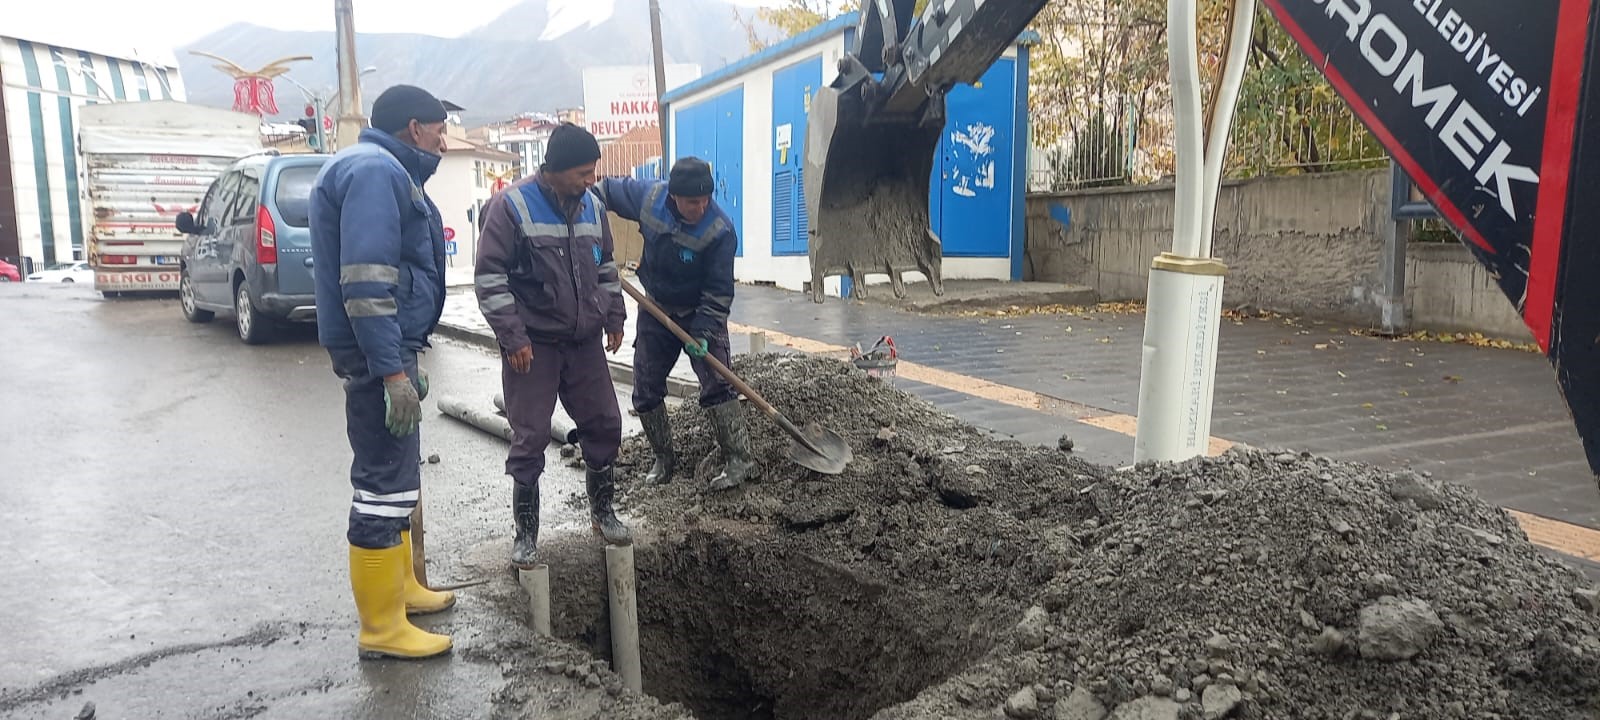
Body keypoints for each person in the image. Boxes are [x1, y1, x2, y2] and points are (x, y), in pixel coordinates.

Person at [310, 85, 454, 660]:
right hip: (378, 354)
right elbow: (367, 285)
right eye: (439, 129)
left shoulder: (381, 168)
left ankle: (402, 592)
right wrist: (391, 370)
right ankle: (381, 626)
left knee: (399, 477)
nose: (444, 140)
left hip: (391, 348)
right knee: (381, 487)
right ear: (414, 128)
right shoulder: (375, 172)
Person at [474, 123, 631, 569]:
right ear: (555, 169)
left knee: (604, 424)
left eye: (593, 172)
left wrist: (614, 317)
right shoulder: (512, 207)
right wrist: (513, 337)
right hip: (534, 345)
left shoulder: (592, 208)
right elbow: (489, 278)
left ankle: (603, 513)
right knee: (531, 437)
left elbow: (605, 268)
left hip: (583, 344)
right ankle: (525, 535)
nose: (590, 181)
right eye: (583, 173)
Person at [594, 157, 753, 492]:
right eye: (693, 201)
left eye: (706, 199)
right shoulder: (650, 197)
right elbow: (604, 190)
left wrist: (704, 332)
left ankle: (739, 458)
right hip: (656, 305)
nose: (701, 206)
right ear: (674, 197)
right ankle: (664, 458)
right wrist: (585, 217)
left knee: (717, 383)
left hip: (699, 310)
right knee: (646, 385)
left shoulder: (719, 230)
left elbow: (719, 291)